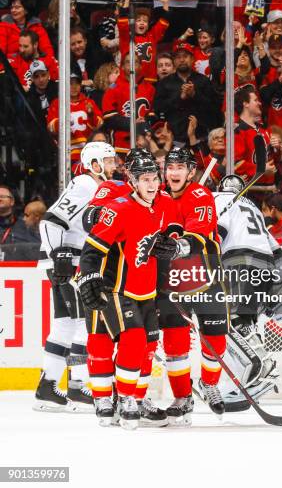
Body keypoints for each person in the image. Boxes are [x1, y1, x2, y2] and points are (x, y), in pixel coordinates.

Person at [78, 149, 177, 428]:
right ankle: (118, 399)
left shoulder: (159, 205)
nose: (151, 184)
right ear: (132, 180)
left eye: (154, 178)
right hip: (114, 286)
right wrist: (88, 278)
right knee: (113, 340)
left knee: (145, 344)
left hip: (144, 288)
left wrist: (171, 244)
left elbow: (164, 234)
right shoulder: (117, 204)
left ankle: (133, 396)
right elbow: (92, 243)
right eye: (144, 179)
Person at [33, 141, 117, 412]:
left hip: (65, 261)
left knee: (65, 325)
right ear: (94, 164)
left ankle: (48, 387)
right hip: (70, 261)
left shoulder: (94, 187)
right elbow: (50, 220)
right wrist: (59, 256)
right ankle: (78, 387)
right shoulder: (85, 185)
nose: (113, 166)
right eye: (108, 161)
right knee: (84, 322)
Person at [150, 147, 228, 423]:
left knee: (215, 336)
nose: (173, 173)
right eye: (170, 167)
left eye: (179, 168)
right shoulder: (155, 195)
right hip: (172, 280)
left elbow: (198, 232)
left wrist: (178, 246)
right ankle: (182, 397)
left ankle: (210, 383)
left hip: (206, 275)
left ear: (190, 171)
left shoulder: (200, 194)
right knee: (174, 341)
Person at [213, 174, 281, 408]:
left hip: (239, 261)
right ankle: (255, 373)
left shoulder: (220, 198)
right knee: (246, 322)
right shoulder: (251, 206)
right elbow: (276, 248)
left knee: (230, 322)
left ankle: (263, 367)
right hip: (265, 264)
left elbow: (217, 232)